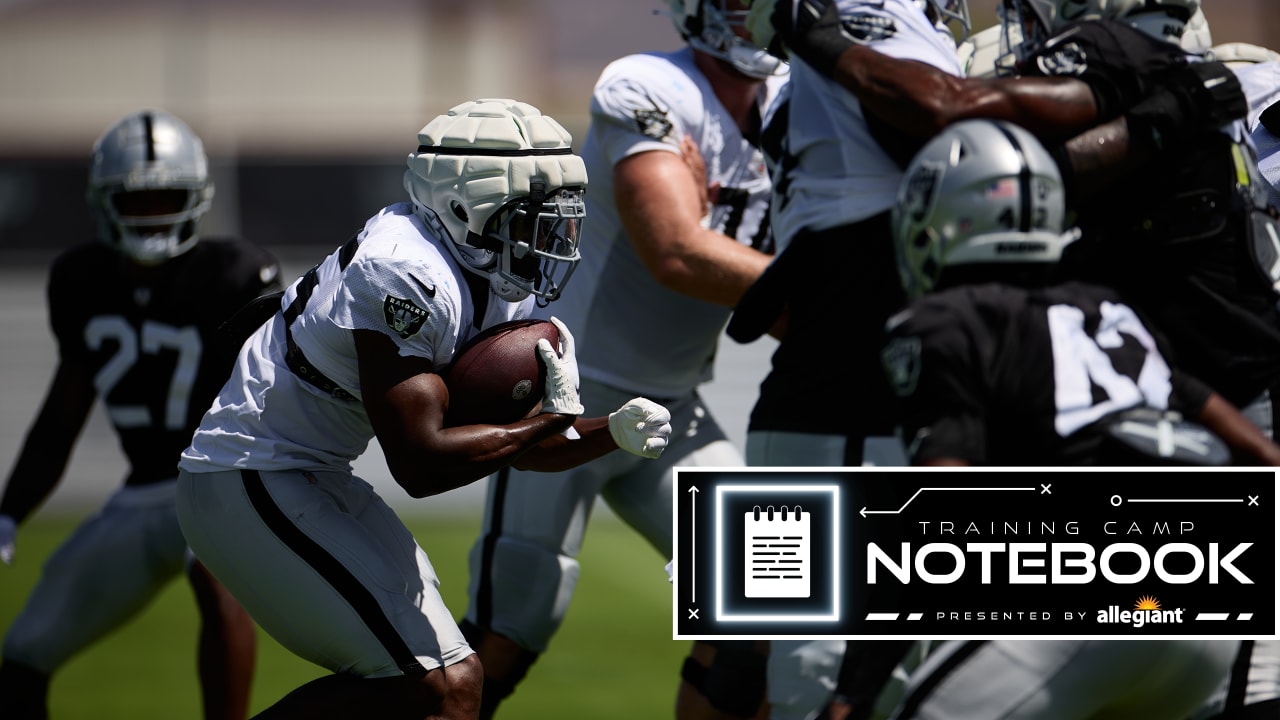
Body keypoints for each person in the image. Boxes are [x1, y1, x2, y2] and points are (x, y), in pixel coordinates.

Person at [173, 97, 675, 720]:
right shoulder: (406, 270)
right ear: (468, 208)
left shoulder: (491, 271)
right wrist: (548, 420)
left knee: (452, 683)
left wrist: (610, 432)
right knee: (435, 686)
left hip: (313, 472)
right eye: (534, 218)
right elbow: (421, 464)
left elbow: (527, 446)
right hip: (247, 474)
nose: (551, 239)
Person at [458, 4, 787, 719]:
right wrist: (765, 273)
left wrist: (733, 251)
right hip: (567, 396)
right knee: (506, 632)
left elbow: (766, 277)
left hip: (676, 410)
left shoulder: (798, 101)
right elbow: (676, 251)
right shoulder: (646, 86)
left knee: (766, 614)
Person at [0, 108, 276, 720]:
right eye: (137, 200)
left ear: (196, 198)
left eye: (166, 197)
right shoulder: (81, 279)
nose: (152, 214)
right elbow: (62, 412)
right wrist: (10, 510)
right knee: (23, 651)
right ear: (104, 203)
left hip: (216, 482)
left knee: (216, 575)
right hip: (142, 494)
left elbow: (273, 400)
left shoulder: (232, 273)